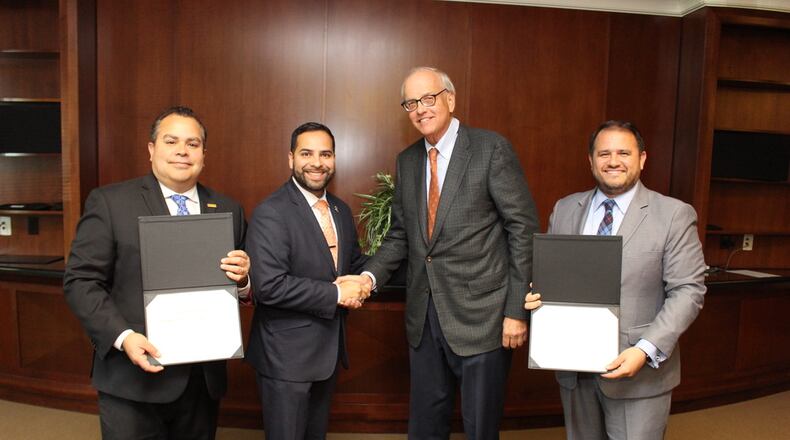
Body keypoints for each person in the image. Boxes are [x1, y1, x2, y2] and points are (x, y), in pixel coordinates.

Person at [354, 66, 540, 439]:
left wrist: (515, 311)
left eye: (428, 98)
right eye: (411, 102)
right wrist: (366, 277)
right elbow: (401, 236)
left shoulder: (490, 149)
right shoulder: (407, 161)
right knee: (425, 426)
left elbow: (523, 228)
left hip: (484, 319)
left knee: (479, 427)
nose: (420, 108)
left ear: (450, 99)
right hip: (424, 319)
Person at [63, 106, 250, 440]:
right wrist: (123, 337)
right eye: (171, 141)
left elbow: (242, 286)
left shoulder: (227, 210)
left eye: (192, 144)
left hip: (201, 382)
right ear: (152, 149)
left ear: (203, 155)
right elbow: (81, 282)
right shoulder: (110, 202)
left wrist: (245, 279)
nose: (182, 151)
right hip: (131, 378)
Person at [525, 120, 706, 440]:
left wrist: (645, 349)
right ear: (591, 161)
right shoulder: (565, 209)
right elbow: (554, 278)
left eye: (624, 152)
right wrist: (537, 296)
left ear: (642, 159)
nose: (613, 161)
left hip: (638, 370)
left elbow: (688, 291)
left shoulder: (673, 214)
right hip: (573, 368)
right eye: (604, 153)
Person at [245, 122, 370, 440]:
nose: (317, 162)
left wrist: (371, 276)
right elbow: (269, 285)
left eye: (325, 153)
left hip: (327, 353)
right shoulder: (271, 212)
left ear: (334, 159)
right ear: (290, 158)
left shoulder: (340, 210)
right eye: (307, 153)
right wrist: (337, 293)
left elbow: (352, 264)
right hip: (285, 359)